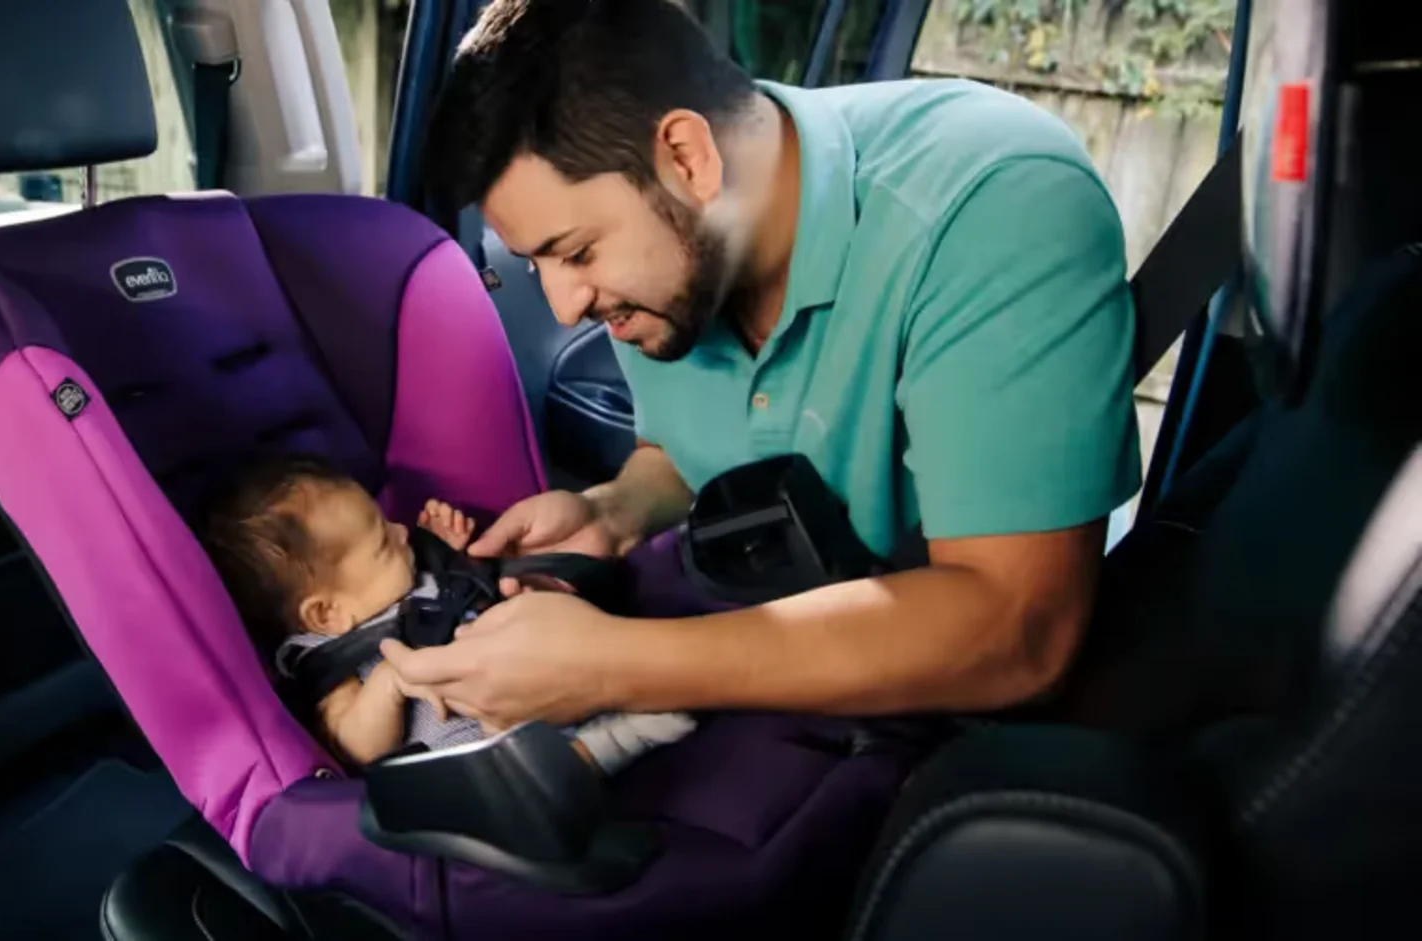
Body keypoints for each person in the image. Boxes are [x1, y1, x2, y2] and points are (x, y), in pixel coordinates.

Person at [381, 0, 1142, 731]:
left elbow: (1017, 629)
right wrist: (614, 514)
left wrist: (613, 664)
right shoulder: (671, 261)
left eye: (576, 252)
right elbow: (693, 447)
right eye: (536, 262)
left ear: (687, 157)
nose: (564, 305)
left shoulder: (995, 207)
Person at [198, 454, 695, 771]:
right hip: (469, 752)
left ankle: (623, 697)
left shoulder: (406, 579)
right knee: (519, 774)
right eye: (382, 544)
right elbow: (355, 745)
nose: (400, 533)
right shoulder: (326, 658)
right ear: (328, 614)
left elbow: (465, 590)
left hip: (529, 676)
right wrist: (388, 685)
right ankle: (612, 743)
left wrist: (452, 554)